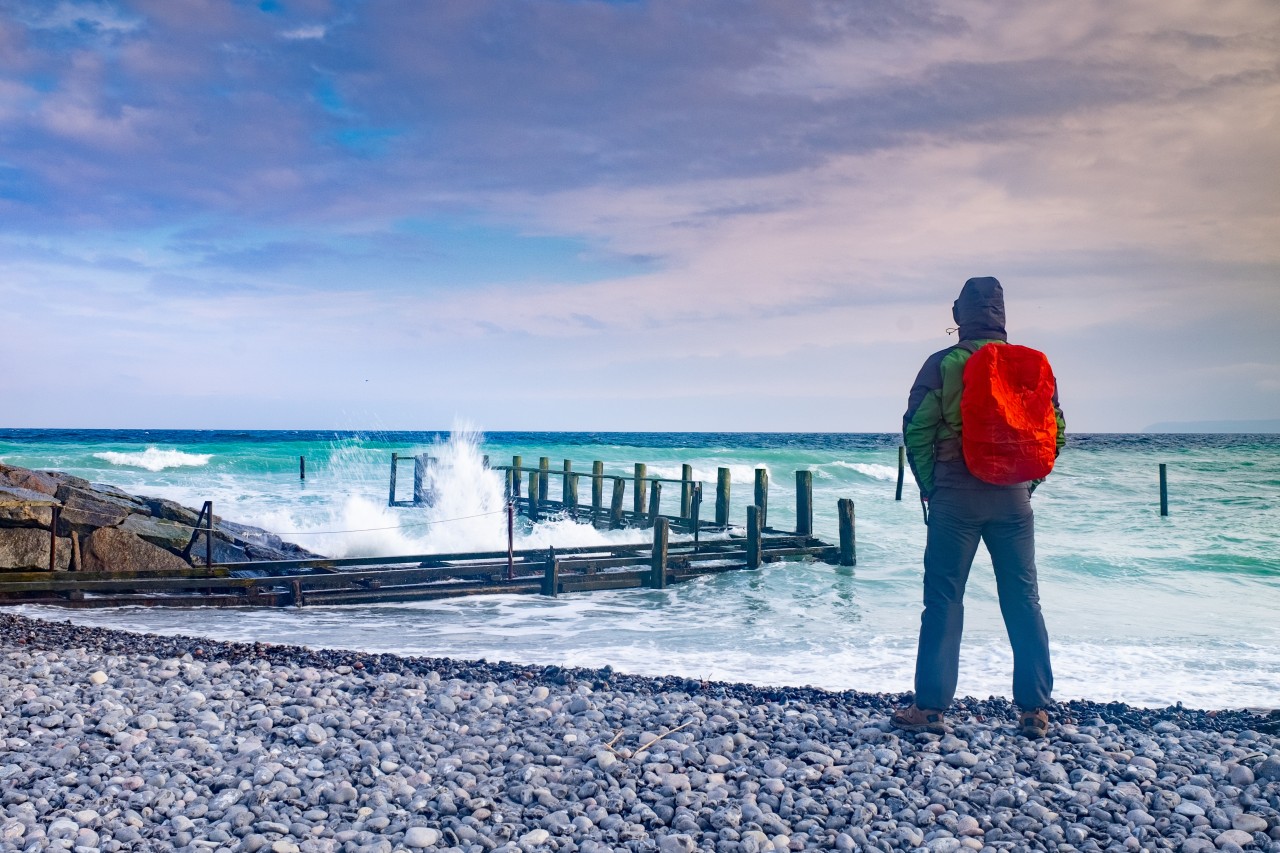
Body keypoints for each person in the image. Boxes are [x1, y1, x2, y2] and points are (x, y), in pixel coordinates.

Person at [892, 276, 1065, 738]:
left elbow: (916, 431)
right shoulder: (1030, 365)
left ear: (958, 316)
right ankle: (1034, 711)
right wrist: (1027, 485)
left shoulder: (944, 363)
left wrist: (932, 486)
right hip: (1013, 500)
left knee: (944, 600)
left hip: (955, 496)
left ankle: (929, 710)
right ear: (1002, 316)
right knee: (1024, 599)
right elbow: (1055, 434)